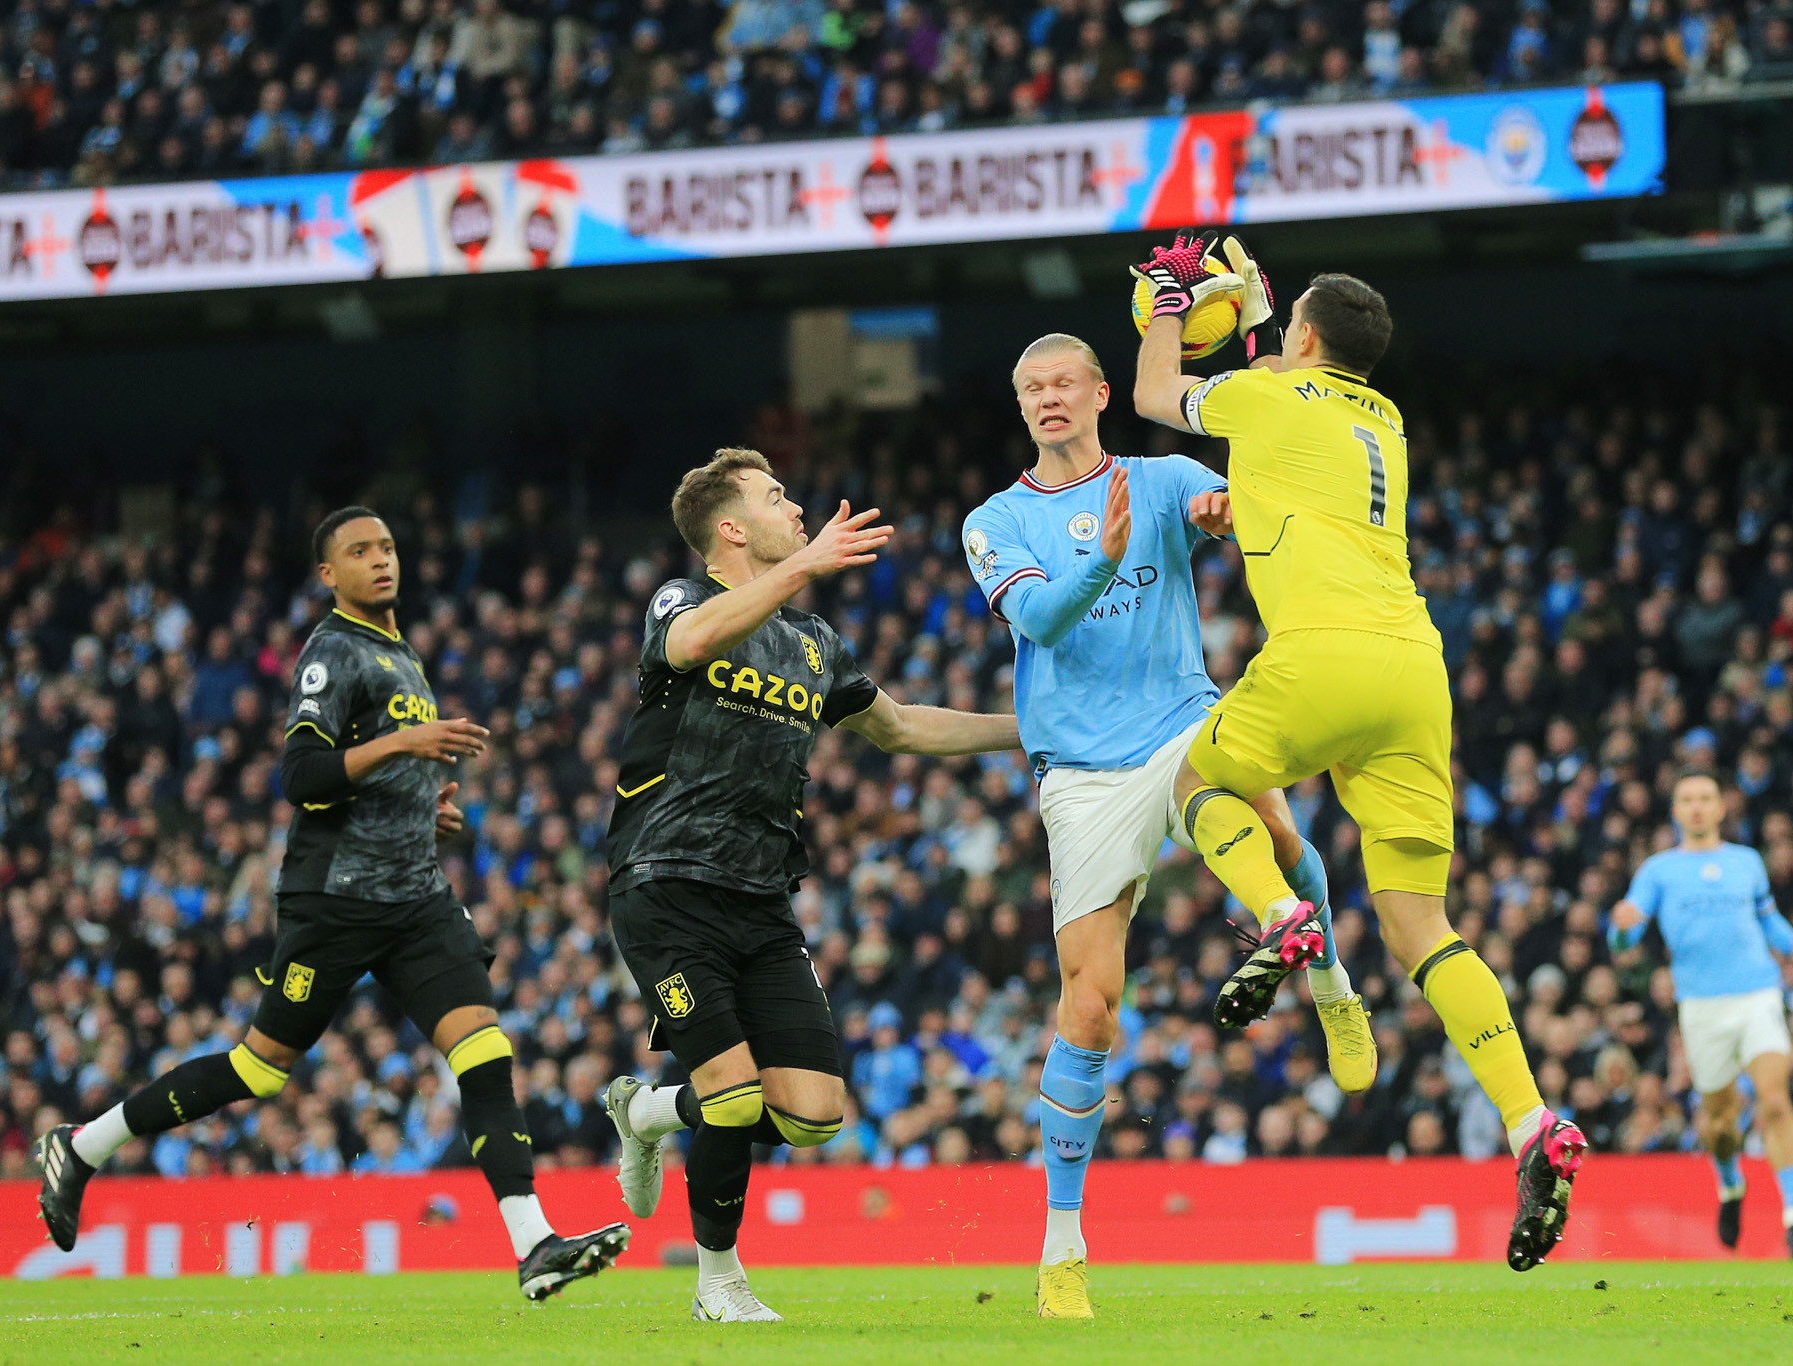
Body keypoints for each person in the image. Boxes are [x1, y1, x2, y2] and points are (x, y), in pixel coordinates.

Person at [35, 507, 630, 1301]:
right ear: (329, 574)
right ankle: (84, 1145)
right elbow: (303, 777)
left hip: (416, 898)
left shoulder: (401, 655)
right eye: (359, 551)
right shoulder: (332, 653)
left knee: (485, 1053)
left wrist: (429, 814)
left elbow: (378, 781)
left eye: (386, 546)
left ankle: (534, 1244)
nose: (380, 560)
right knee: (260, 1069)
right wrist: (402, 746)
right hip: (337, 900)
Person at [1130, 237, 1586, 1272]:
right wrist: (1232, 505)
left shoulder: (1267, 399)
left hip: (1321, 653)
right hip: (1413, 670)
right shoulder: (1380, 418)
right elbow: (1295, 484)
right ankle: (1528, 1120)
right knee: (1418, 918)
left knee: (1195, 781)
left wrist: (1167, 299)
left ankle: (1281, 913)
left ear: (1300, 339)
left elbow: (1156, 388)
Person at [961, 332, 1375, 1319]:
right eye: (1030, 388)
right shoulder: (994, 520)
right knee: (1090, 1005)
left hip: (1182, 720)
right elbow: (1042, 624)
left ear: (1102, 392)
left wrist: (1219, 514)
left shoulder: (1160, 477)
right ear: (1019, 406)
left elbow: (1223, 512)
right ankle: (1062, 1248)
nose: (1048, 397)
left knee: (1273, 830)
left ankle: (1323, 974)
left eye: (1063, 382)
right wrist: (1102, 560)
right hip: (1081, 773)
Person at [598, 449, 1022, 1323]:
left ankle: (647, 1112)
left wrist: (1032, 731)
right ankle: (719, 1285)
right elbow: (691, 644)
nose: (795, 509)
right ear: (729, 527)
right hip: (665, 883)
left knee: (814, 1115)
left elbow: (901, 730)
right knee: (734, 1092)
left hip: (760, 898)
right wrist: (803, 564)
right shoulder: (681, 600)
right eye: (775, 497)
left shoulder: (814, 643)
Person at [1610, 768, 1793, 1258]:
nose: (1698, 806)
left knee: (1774, 1101)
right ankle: (1730, 1186)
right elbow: (1626, 935)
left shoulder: (1747, 862)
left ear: (1722, 807)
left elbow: (1769, 921)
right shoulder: (1658, 870)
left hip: (1757, 996)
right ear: (1676, 810)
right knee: (1720, 1123)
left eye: (1706, 797)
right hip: (1701, 1008)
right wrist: (1620, 928)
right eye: (1688, 799)